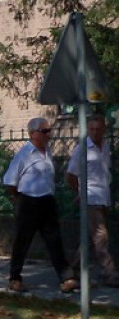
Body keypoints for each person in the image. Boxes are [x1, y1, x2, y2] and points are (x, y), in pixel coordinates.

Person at [3, 117, 78, 293]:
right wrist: (19, 198)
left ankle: (66, 278)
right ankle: (15, 278)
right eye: (45, 131)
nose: (49, 135)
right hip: (29, 201)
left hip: (47, 201)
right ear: (33, 134)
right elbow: (9, 181)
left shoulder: (47, 151)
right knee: (23, 241)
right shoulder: (24, 154)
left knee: (54, 241)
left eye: (49, 131)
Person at [65, 114, 118, 286]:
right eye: (92, 129)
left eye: (98, 129)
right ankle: (109, 272)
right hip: (90, 197)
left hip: (103, 197)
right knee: (101, 235)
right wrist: (80, 192)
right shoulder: (82, 149)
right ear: (87, 130)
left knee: (90, 236)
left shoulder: (105, 146)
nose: (95, 132)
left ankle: (72, 269)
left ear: (104, 130)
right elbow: (71, 175)